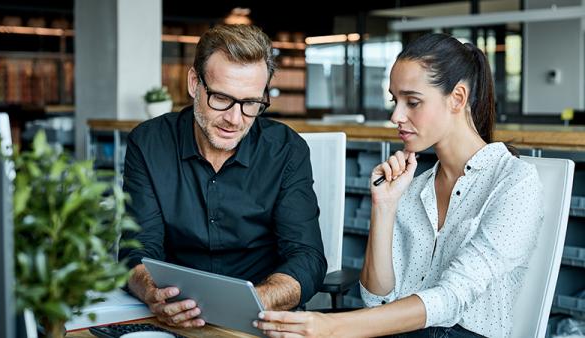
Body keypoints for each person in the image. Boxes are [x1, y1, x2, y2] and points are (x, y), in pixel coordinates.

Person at [256, 33, 544, 338]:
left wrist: (331, 326)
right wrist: (384, 206)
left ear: (457, 98)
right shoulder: (413, 186)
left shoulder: (515, 183)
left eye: (413, 102)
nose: (396, 116)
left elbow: (452, 298)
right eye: (395, 100)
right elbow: (376, 300)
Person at [119, 24, 327, 329]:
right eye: (220, 98)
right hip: (175, 317)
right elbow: (137, 249)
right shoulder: (149, 143)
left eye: (251, 103)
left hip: (260, 317)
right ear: (194, 83)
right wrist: (153, 293)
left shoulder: (287, 151)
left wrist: (254, 301)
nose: (234, 119)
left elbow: (306, 258)